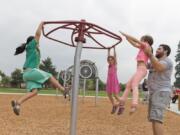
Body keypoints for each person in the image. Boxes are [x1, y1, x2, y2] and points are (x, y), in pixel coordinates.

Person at [11, 22, 66, 115]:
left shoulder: (35, 51)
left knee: (34, 92)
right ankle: (63, 90)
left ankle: (18, 103)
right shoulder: (31, 46)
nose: (38, 43)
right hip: (30, 72)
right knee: (49, 76)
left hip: (27, 74)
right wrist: (41, 24)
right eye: (37, 42)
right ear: (32, 42)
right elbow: (37, 34)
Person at [118, 32, 153, 114]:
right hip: (139, 69)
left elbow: (136, 41)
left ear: (146, 41)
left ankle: (134, 105)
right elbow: (134, 44)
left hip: (142, 69)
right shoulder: (142, 48)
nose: (140, 40)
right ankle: (122, 103)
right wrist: (127, 39)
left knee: (134, 85)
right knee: (128, 85)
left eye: (142, 39)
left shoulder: (147, 46)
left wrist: (126, 35)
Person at [145, 44, 173, 135]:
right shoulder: (154, 62)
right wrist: (143, 51)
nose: (156, 50)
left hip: (162, 92)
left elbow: (159, 67)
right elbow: (143, 64)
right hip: (154, 93)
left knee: (157, 119)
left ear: (165, 51)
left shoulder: (167, 61)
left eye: (159, 49)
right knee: (154, 119)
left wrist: (150, 55)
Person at [106, 47, 121, 114]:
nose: (110, 61)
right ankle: (114, 105)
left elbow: (115, 56)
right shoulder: (109, 66)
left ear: (113, 60)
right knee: (109, 94)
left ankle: (121, 104)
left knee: (115, 95)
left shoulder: (114, 65)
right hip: (109, 81)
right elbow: (108, 57)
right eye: (109, 60)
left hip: (114, 81)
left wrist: (114, 49)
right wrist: (108, 51)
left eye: (111, 60)